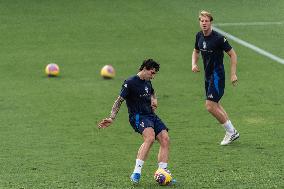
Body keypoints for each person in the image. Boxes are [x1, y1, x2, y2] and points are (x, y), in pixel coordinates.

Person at [98, 59, 175, 184]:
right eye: (152, 72)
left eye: (154, 74)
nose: (153, 76)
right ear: (144, 68)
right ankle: (136, 172)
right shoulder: (130, 82)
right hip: (137, 116)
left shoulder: (148, 82)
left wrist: (154, 99)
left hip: (150, 115)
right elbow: (119, 101)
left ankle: (163, 172)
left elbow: (152, 92)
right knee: (149, 138)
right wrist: (111, 117)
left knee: (165, 138)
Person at [191, 10, 240, 145]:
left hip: (217, 75)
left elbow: (233, 55)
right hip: (207, 76)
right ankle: (232, 131)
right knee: (215, 104)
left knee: (210, 105)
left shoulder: (218, 38)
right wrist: (194, 63)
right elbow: (195, 51)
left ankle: (231, 132)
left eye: (207, 21)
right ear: (199, 22)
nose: (204, 23)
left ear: (210, 22)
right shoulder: (199, 36)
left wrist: (233, 73)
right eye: (202, 21)